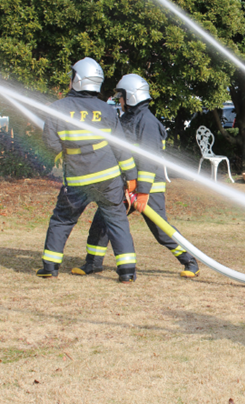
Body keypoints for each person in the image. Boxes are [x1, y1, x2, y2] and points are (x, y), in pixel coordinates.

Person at [73, 74, 200, 279]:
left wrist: (143, 192)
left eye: (121, 97)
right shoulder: (126, 119)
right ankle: (92, 263)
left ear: (131, 96)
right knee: (102, 221)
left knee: (160, 230)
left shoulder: (147, 122)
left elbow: (148, 161)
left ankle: (190, 261)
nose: (119, 101)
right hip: (125, 186)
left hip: (148, 188)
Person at [38, 57, 138, 283]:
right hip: (108, 178)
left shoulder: (57, 109)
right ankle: (127, 272)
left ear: (77, 80)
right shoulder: (108, 110)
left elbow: (51, 147)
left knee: (62, 220)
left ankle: (50, 267)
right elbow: (121, 148)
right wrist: (131, 178)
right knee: (117, 220)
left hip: (76, 179)